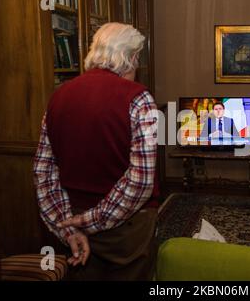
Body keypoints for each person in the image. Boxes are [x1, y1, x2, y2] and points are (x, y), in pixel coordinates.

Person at [33, 23, 159, 280]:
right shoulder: (139, 98)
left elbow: (43, 173)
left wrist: (68, 227)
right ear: (132, 58)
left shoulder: (59, 95)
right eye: (138, 59)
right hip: (126, 227)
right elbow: (141, 180)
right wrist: (92, 221)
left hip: (73, 214)